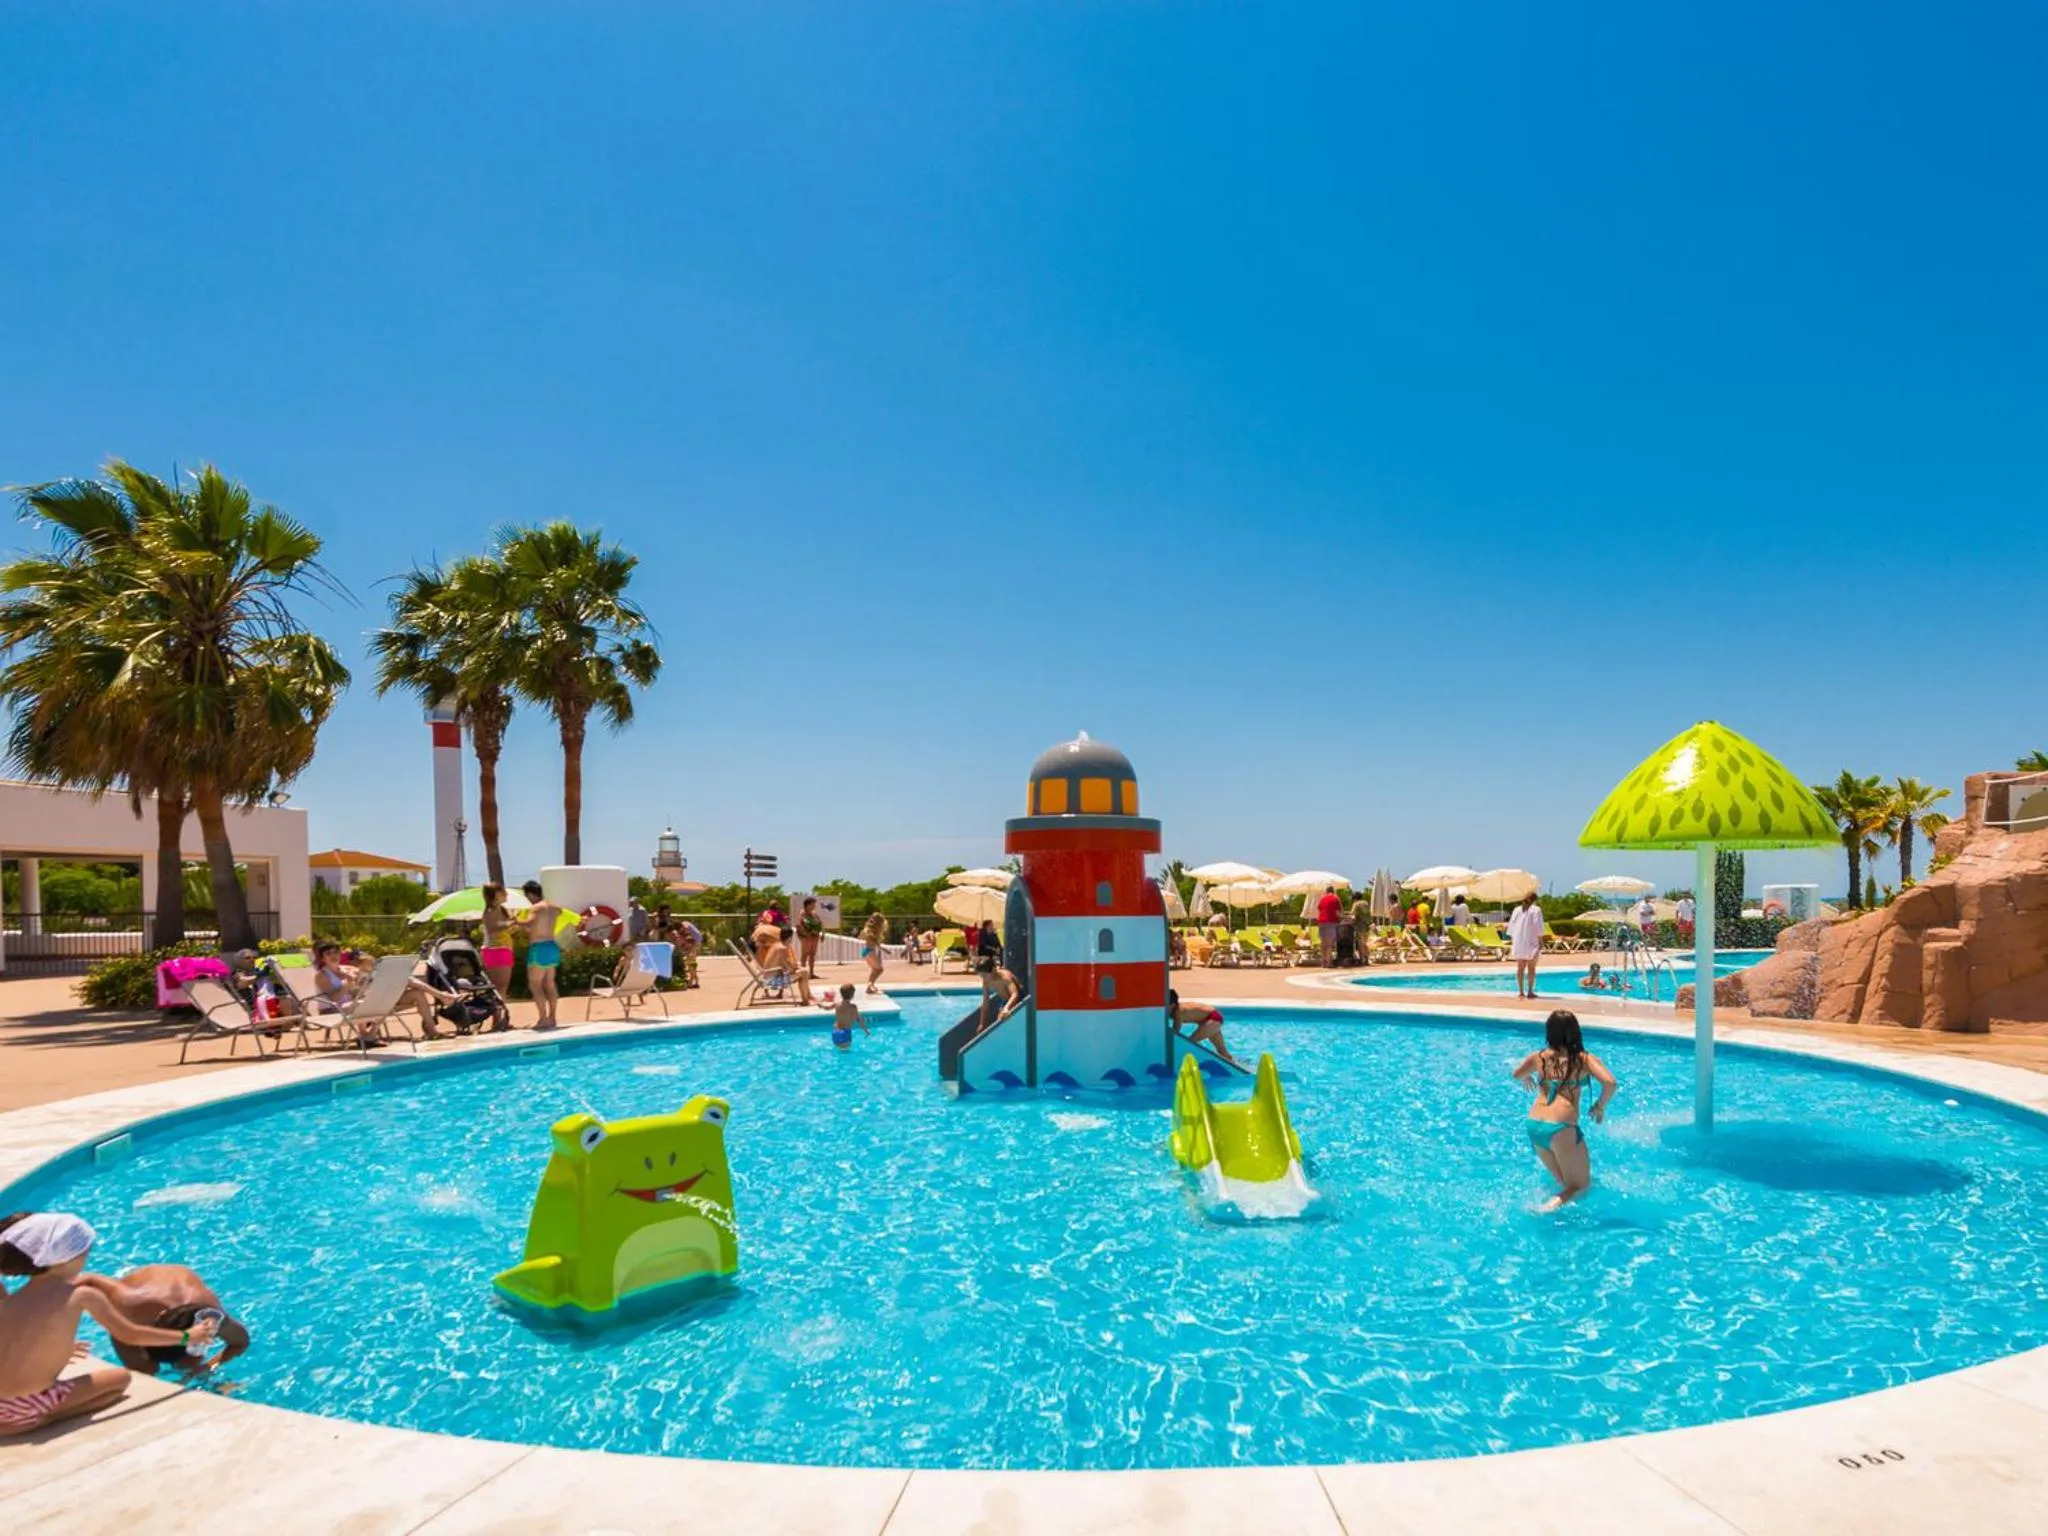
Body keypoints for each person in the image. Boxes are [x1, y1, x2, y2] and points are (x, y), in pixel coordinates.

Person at [0, 1212, 218, 1436]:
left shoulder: (12, 1299)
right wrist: (187, 1336)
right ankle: (40, 1419)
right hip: (25, 1408)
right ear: (69, 1256)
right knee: (118, 1381)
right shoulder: (81, 1295)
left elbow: (15, 1339)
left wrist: (57, 1349)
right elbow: (131, 1335)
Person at [1512, 1010, 1618, 1211]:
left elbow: (1517, 1074)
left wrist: (1527, 1078)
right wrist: (1599, 1106)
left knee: (1565, 1185)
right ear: (1575, 1032)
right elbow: (1610, 1083)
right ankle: (1544, 1211)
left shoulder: (1539, 1057)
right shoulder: (1583, 1059)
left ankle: (1550, 1208)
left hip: (1534, 1125)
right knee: (1580, 1186)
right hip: (1560, 1128)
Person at [80, 1263, 248, 1381]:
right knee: (144, 1371)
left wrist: (210, 1366)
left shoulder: (211, 1318)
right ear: (159, 1316)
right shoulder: (132, 1303)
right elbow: (90, 1279)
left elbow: (240, 1342)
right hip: (148, 1285)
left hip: (182, 1286)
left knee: (190, 1365)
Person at [521, 880, 566, 1030]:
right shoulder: (554, 908)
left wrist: (517, 921)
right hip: (552, 946)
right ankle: (553, 1017)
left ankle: (542, 1018)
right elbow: (561, 912)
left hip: (538, 947)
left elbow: (530, 923)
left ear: (530, 894)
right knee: (550, 984)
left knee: (535, 985)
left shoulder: (535, 909)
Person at [1168, 989, 1238, 1066]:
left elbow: (1175, 1033)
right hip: (1212, 1018)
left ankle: (1204, 1063)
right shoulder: (1173, 1009)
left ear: (1173, 1005)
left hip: (1213, 1018)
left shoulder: (1178, 1012)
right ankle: (1236, 1065)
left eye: (1166, 1005)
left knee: (1191, 1042)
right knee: (1222, 1052)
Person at [759, 926, 820, 1006]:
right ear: (790, 938)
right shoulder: (782, 948)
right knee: (804, 973)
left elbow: (785, 966)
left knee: (803, 971)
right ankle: (806, 1001)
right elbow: (789, 969)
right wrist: (796, 968)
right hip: (773, 981)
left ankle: (809, 997)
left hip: (768, 977)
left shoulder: (776, 945)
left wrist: (796, 968)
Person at [479, 883, 517, 999]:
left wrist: (513, 927)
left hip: (504, 949)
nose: (506, 894)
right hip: (494, 950)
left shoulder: (504, 910)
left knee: (502, 987)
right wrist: (510, 924)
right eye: (503, 892)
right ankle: (498, 1014)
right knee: (498, 987)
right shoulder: (491, 911)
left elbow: (502, 930)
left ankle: (500, 1014)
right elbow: (492, 931)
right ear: (496, 895)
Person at [1505, 891, 1545, 999]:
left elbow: (1511, 926)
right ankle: (1530, 991)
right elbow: (1538, 926)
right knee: (1531, 968)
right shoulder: (1536, 910)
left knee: (1520, 968)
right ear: (1535, 900)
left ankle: (1521, 991)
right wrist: (1541, 941)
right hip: (1531, 940)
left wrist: (1514, 939)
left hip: (1518, 941)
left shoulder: (1517, 910)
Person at [824, 984, 870, 1049]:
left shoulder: (837, 1004)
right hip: (845, 1033)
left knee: (838, 1050)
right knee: (845, 1052)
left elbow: (827, 1008)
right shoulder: (853, 1007)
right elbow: (859, 1020)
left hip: (836, 1032)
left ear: (841, 994)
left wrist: (820, 1005)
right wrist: (866, 1030)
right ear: (852, 995)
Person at [1315, 886, 1343, 965]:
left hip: (1321, 922)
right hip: (1331, 922)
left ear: (1326, 891)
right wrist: (1341, 918)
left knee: (1323, 943)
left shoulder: (1322, 898)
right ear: (1333, 891)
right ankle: (1328, 962)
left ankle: (1323, 961)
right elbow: (1338, 912)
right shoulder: (1336, 898)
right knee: (1329, 944)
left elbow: (1320, 909)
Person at [797, 897, 824, 978]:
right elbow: (799, 925)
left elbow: (820, 923)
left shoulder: (814, 914)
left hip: (815, 937)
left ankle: (811, 973)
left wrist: (823, 933)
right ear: (807, 904)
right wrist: (807, 933)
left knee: (812, 955)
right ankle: (803, 974)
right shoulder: (802, 913)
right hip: (806, 937)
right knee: (804, 955)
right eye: (812, 904)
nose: (814, 906)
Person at [860, 912, 886, 994]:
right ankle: (870, 985)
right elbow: (873, 940)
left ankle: (870, 987)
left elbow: (873, 941)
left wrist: (882, 949)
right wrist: (882, 948)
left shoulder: (869, 928)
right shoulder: (872, 930)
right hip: (870, 951)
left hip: (866, 951)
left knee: (875, 969)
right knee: (879, 969)